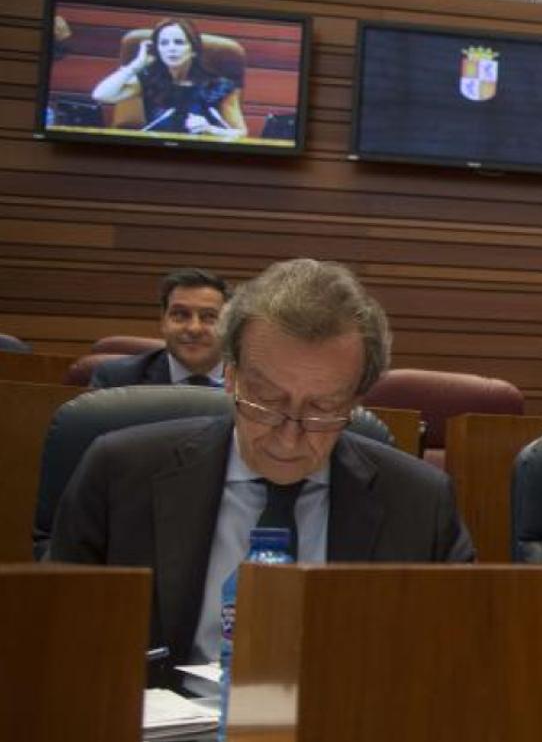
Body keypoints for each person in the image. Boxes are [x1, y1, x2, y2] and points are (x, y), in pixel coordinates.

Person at [51, 258, 475, 687]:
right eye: (266, 402)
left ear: (356, 401)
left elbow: (455, 670)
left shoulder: (421, 504)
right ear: (230, 378)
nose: (288, 438)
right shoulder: (120, 474)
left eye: (324, 409)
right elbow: (54, 645)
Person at [91, 17, 247, 138]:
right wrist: (135, 66)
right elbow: (101, 95)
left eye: (178, 43)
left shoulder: (218, 86)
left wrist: (211, 130)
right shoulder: (149, 80)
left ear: (193, 50)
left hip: (201, 157)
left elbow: (241, 133)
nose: (171, 48)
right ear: (157, 50)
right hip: (156, 155)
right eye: (164, 43)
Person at [91, 268, 230, 388]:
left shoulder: (249, 381)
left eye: (209, 317)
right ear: (163, 322)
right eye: (181, 314)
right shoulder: (116, 381)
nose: (194, 328)